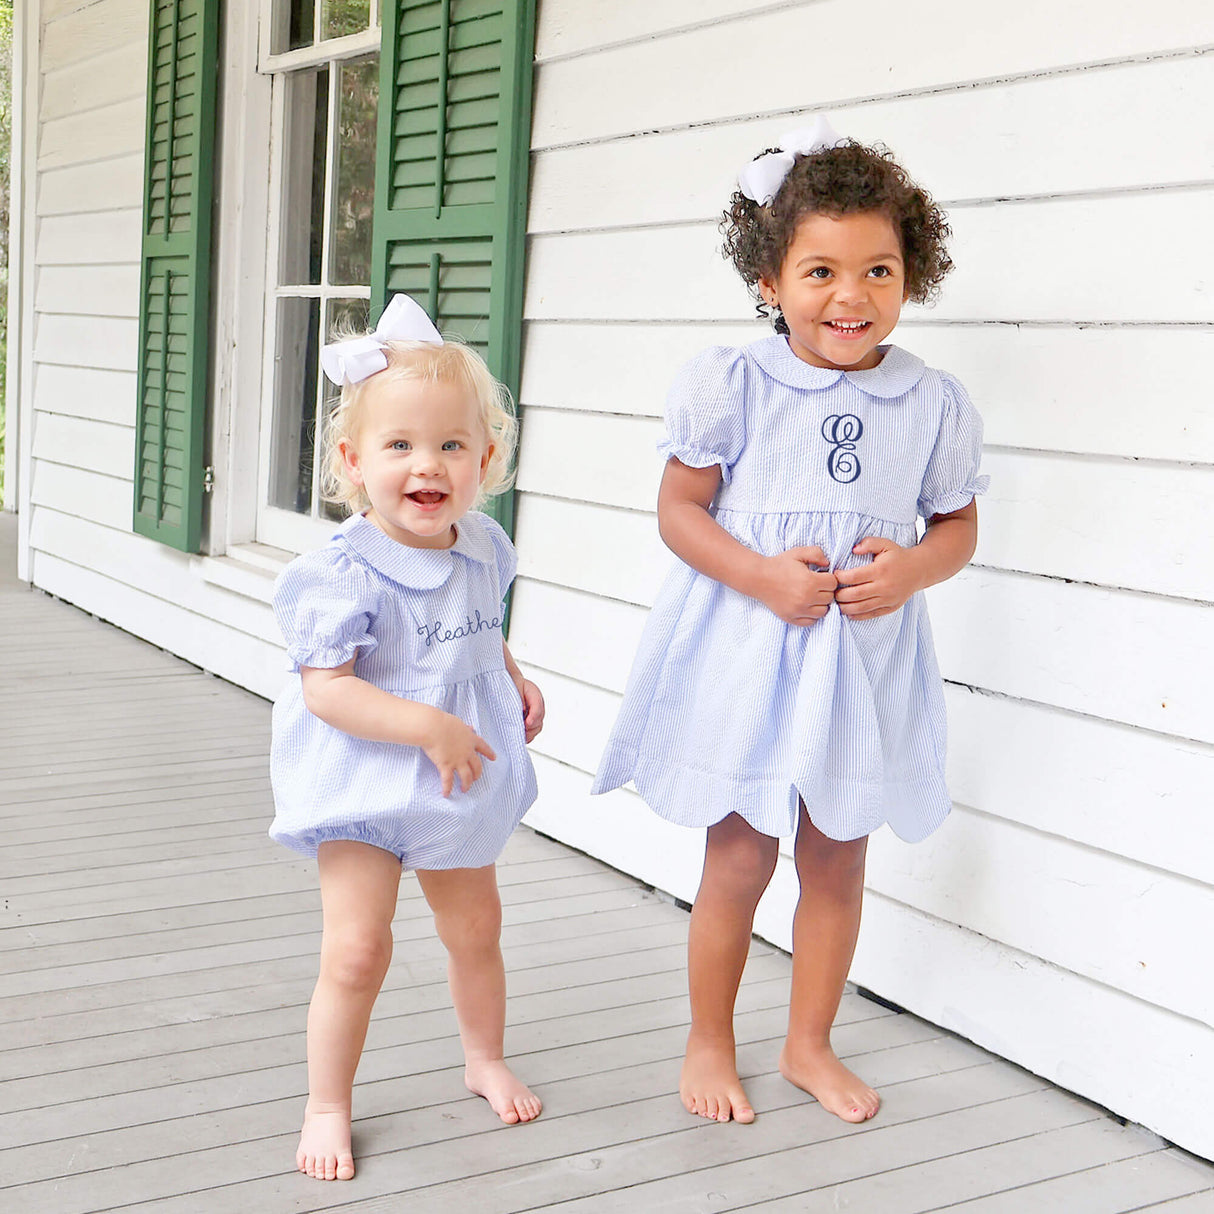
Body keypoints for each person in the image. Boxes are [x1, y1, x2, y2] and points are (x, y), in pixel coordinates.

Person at [593, 117, 989, 1127]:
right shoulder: (734, 383)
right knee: (738, 853)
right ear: (768, 279)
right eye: (818, 270)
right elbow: (679, 511)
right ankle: (708, 1035)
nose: (849, 296)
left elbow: (954, 526)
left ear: (911, 275)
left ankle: (808, 1038)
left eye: (877, 269)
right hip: (751, 649)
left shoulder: (931, 402)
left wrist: (909, 570)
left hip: (859, 659)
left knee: (836, 855)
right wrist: (760, 575)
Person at [269, 295, 545, 1181]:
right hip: (364, 780)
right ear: (353, 463)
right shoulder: (337, 574)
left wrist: (510, 675)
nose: (427, 465)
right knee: (358, 947)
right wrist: (426, 722)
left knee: (476, 926)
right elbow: (328, 692)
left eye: (451, 446)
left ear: (485, 459)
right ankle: (326, 1103)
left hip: (455, 775)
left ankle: (483, 1056)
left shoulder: (484, 547)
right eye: (400, 446)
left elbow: (475, 628)